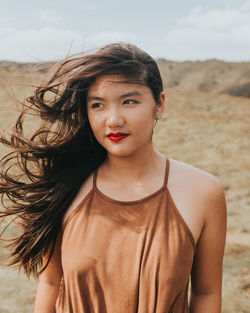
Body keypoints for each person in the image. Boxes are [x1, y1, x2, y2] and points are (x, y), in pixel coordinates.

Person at [0, 42, 227, 313]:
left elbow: (206, 292)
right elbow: (50, 285)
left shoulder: (203, 192)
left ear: (159, 104)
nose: (113, 119)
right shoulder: (64, 187)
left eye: (129, 101)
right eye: (98, 105)